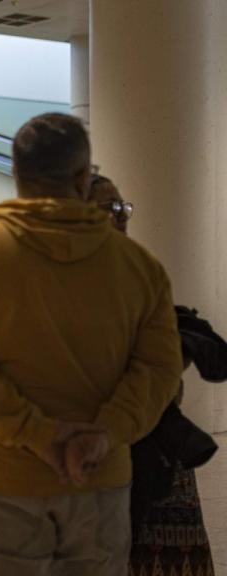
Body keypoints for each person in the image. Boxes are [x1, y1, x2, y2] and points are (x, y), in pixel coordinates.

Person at [0, 113, 182, 575]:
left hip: (0, 478)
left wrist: (38, 435)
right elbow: (159, 368)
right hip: (100, 479)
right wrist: (104, 434)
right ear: (83, 178)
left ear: (16, 174)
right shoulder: (139, 267)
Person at [91, 175, 217, 576]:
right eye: (110, 208)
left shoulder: (141, 274)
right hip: (100, 456)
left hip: (157, 453)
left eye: (123, 207)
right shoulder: (58, 288)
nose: (122, 216)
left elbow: (164, 373)